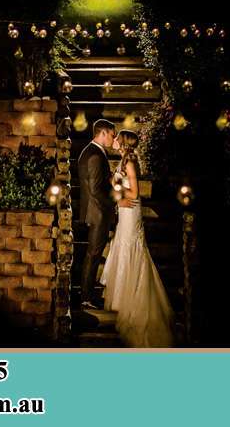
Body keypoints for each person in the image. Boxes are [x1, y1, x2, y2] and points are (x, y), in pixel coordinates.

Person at [100, 130, 175, 347]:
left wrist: (120, 198)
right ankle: (122, 296)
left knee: (130, 248)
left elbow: (135, 193)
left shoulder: (130, 162)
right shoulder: (124, 160)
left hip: (131, 211)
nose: (113, 140)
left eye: (117, 138)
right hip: (124, 211)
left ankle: (132, 297)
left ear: (123, 143)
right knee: (122, 246)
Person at [77, 119, 135, 310]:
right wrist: (118, 201)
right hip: (98, 213)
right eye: (112, 134)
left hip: (96, 212)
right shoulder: (94, 155)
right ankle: (86, 297)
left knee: (93, 254)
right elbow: (95, 190)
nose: (114, 138)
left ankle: (87, 295)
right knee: (93, 254)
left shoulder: (94, 152)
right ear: (102, 133)